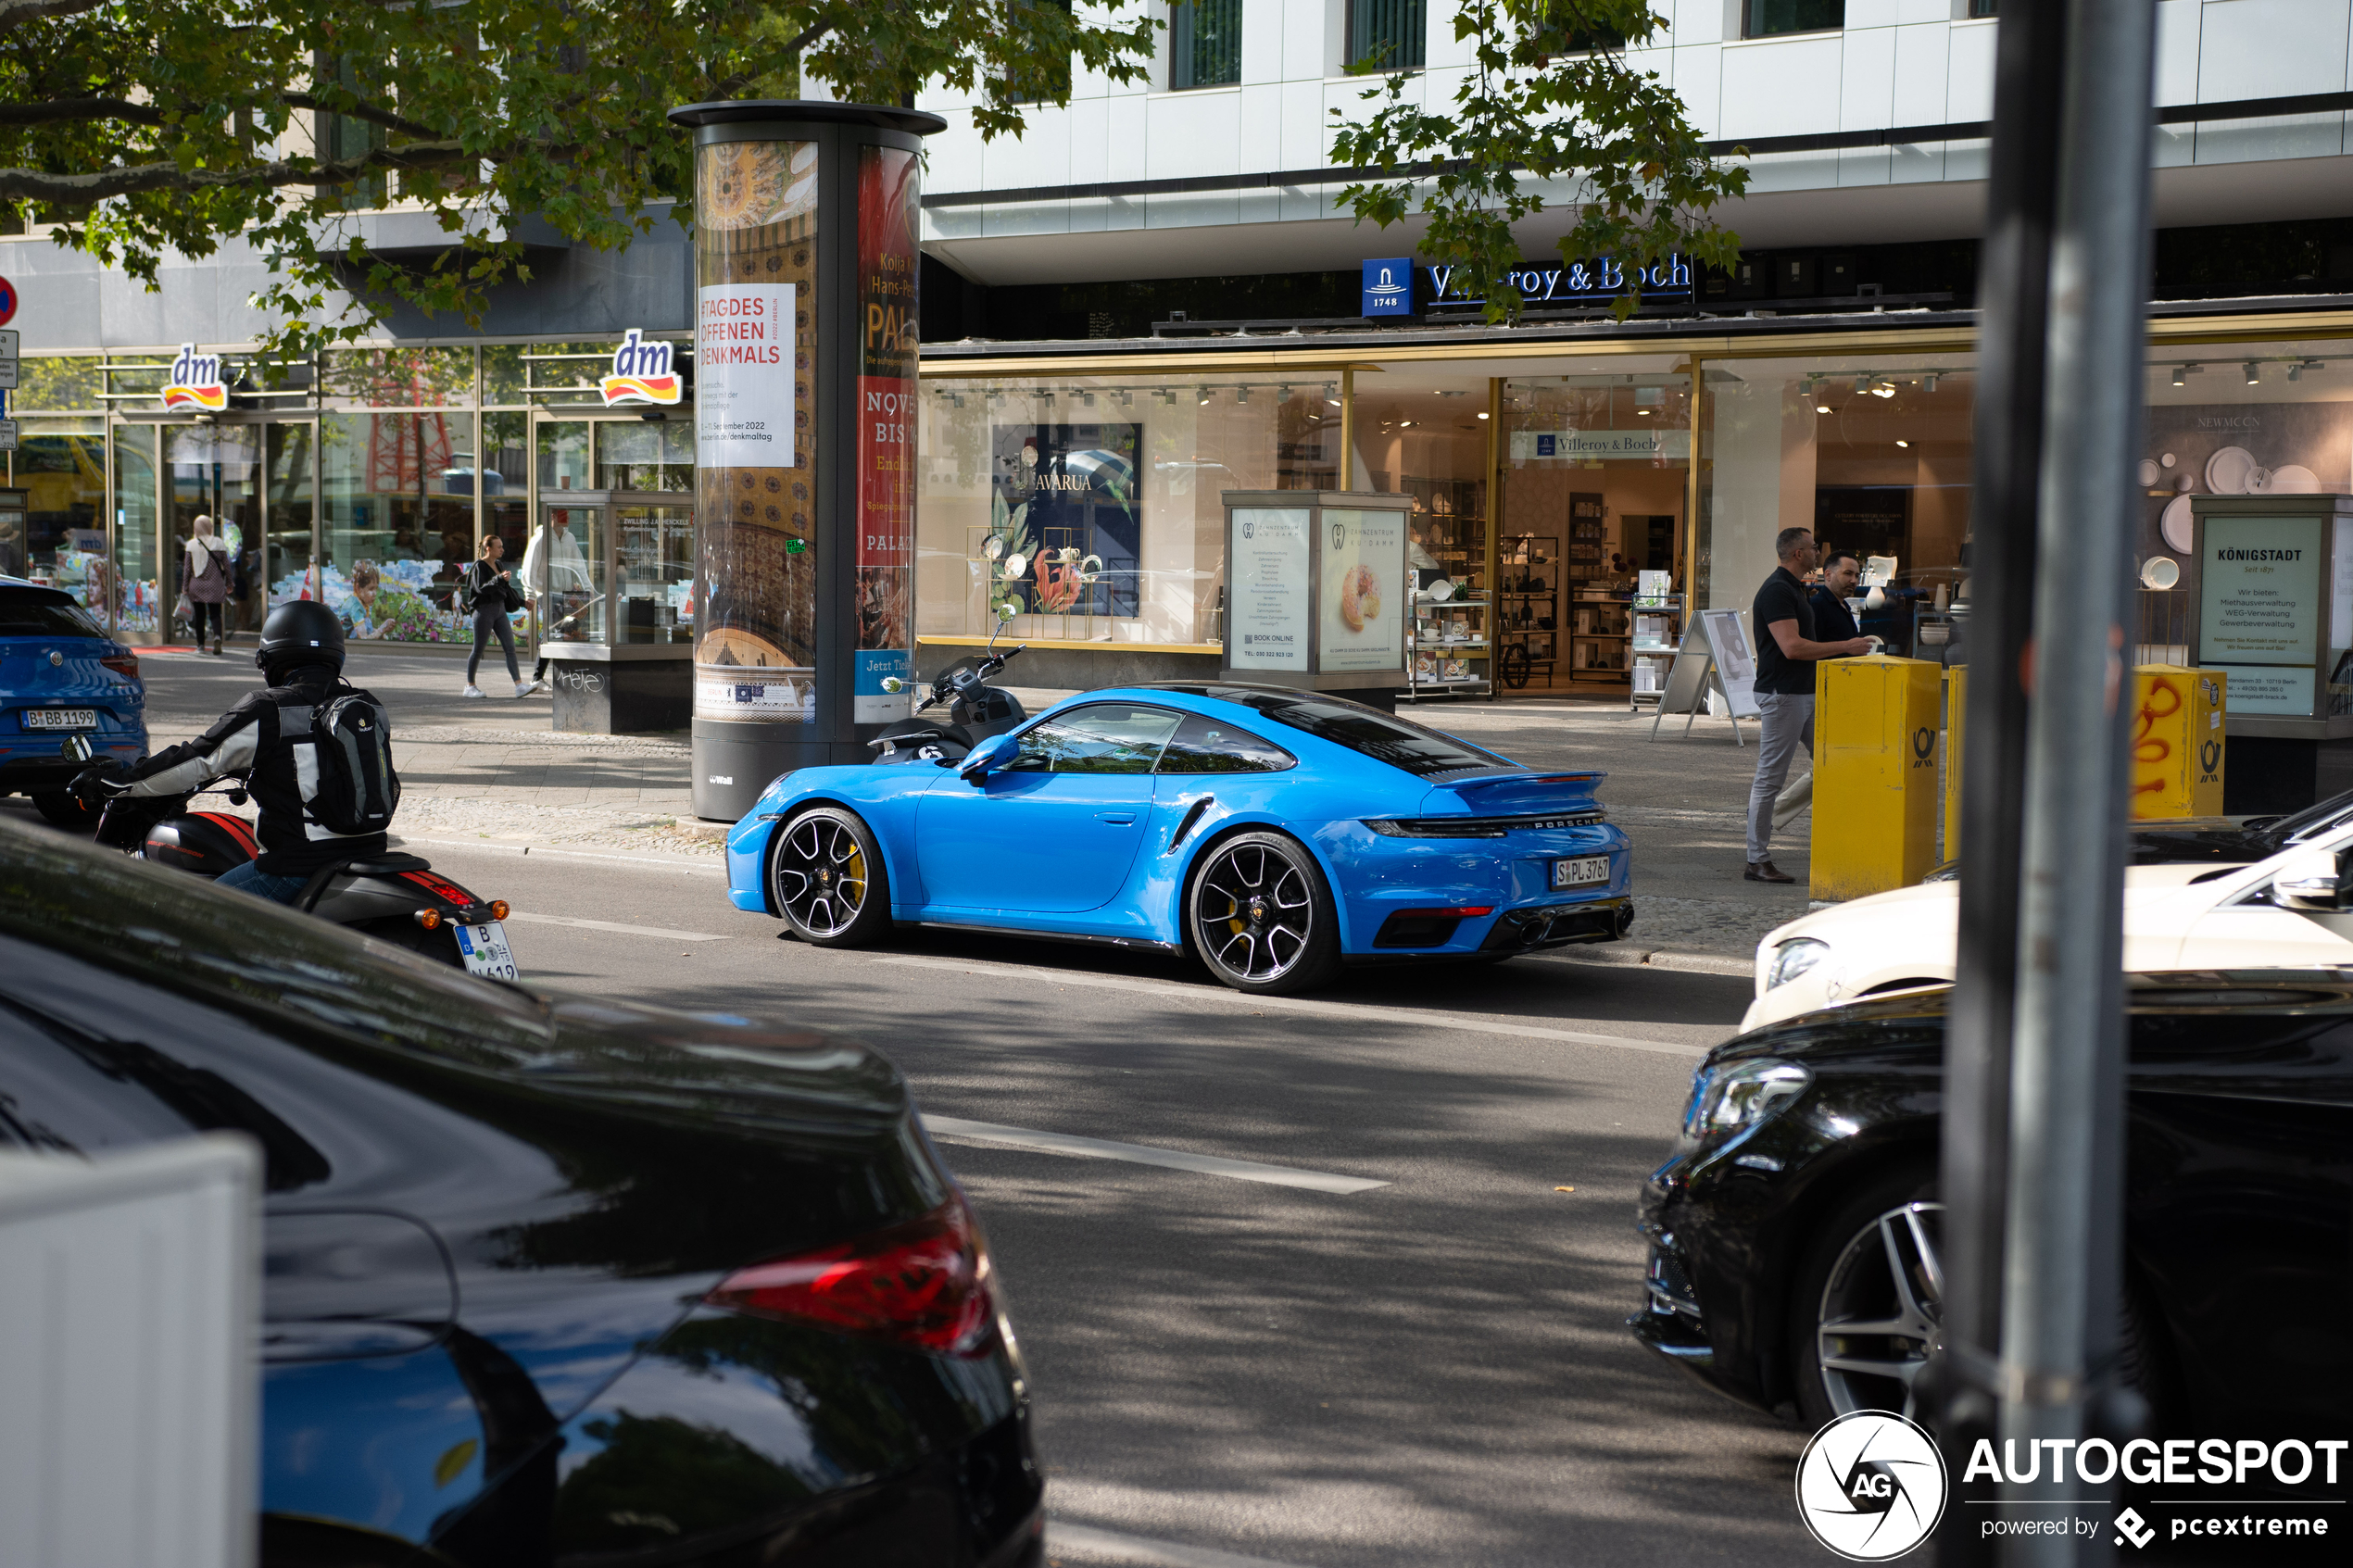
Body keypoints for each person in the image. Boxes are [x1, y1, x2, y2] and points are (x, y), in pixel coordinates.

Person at [82, 601, 389, 904]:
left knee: (192, 914)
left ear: (272, 658)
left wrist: (116, 781)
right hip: (368, 851)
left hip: (296, 867)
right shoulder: (367, 705)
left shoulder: (269, 708)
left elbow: (197, 759)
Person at [1745, 527, 1872, 884]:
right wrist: (1845, 646)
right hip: (1783, 694)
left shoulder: (1795, 588)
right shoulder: (1777, 590)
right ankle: (1757, 858)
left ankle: (1845, 840)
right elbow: (1792, 647)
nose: (1819, 552)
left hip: (1803, 693)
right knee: (1770, 778)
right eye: (1814, 547)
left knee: (1836, 763)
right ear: (1798, 553)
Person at [519, 514, 591, 686]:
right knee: (554, 633)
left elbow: (579, 564)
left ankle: (565, 677)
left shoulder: (570, 538)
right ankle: (538, 677)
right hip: (548, 593)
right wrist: (530, 594)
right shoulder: (540, 540)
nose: (567, 517)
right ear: (552, 516)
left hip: (566, 593)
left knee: (567, 631)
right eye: (563, 513)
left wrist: (587, 588)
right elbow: (529, 568)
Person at [460, 534, 531, 698]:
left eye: (502, 546)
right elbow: (481, 589)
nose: (502, 549)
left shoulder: (498, 564)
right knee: (478, 649)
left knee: (510, 647)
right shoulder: (480, 566)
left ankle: (519, 685)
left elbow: (506, 590)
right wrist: (499, 579)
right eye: (499, 547)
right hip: (484, 610)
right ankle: (470, 686)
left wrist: (522, 602)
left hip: (499, 610)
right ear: (488, 549)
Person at [182, 514, 232, 655]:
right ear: (209, 526)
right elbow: (226, 566)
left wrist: (185, 587)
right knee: (215, 614)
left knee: (200, 615)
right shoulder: (218, 542)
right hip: (215, 584)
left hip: (196, 585)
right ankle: (217, 636)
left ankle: (200, 646)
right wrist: (229, 583)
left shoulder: (191, 544)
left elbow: (187, 569)